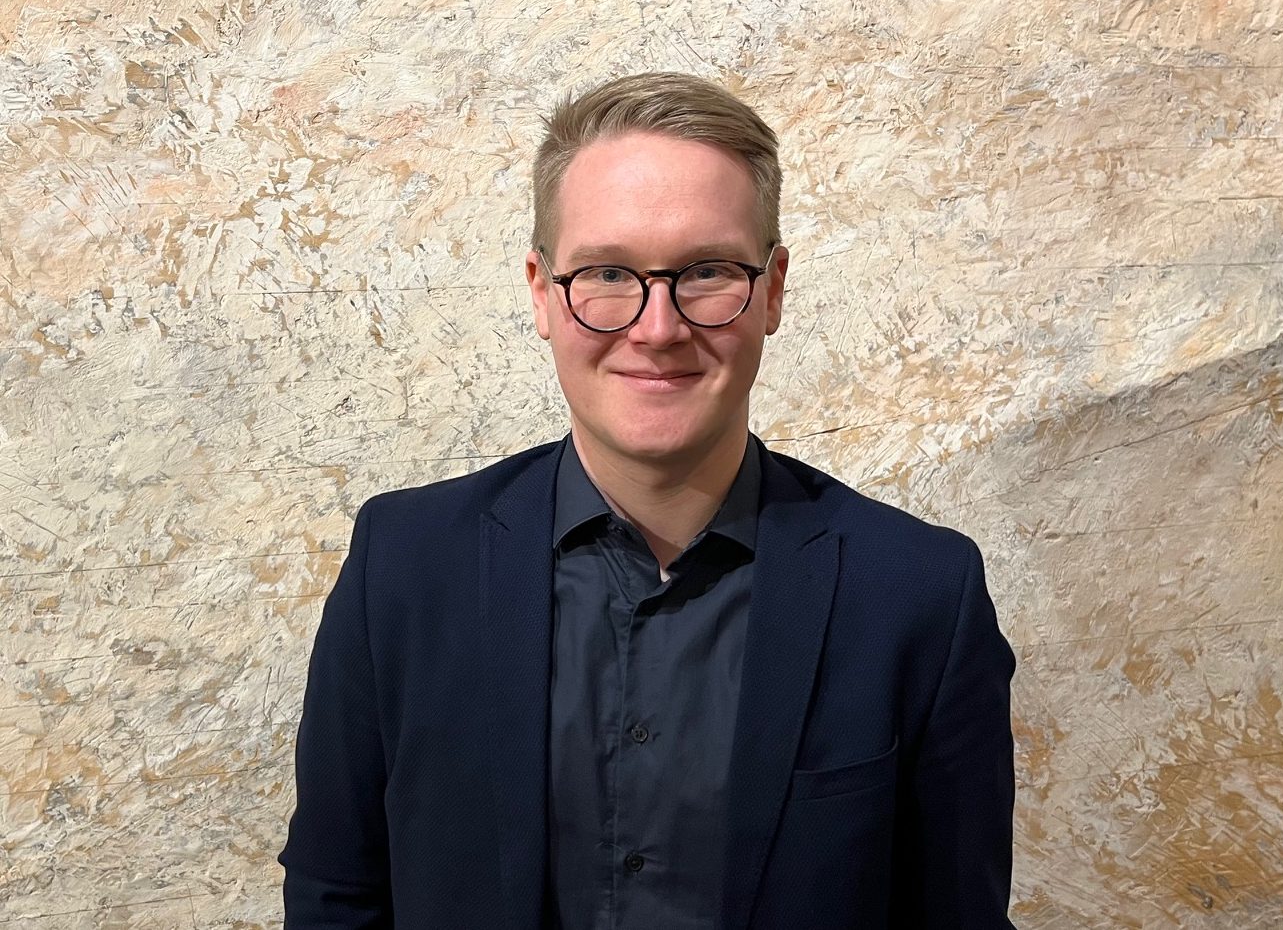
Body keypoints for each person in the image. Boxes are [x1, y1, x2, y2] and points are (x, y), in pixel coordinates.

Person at [279, 71, 1017, 929]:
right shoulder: (403, 565)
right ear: (541, 291)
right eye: (606, 272)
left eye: (706, 272)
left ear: (773, 289)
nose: (657, 328)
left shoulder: (918, 595)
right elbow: (336, 895)